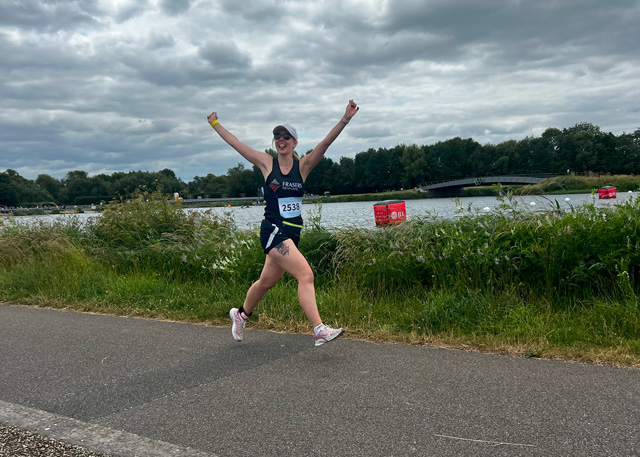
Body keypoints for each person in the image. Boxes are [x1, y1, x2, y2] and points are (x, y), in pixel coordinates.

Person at [207, 100, 359, 346]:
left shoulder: (303, 166)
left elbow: (326, 143)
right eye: (277, 135)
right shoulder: (267, 163)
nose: (280, 139)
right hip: (274, 231)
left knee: (267, 282)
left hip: (293, 233)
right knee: (306, 275)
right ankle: (319, 328)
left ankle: (241, 314)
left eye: (286, 136)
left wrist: (345, 118)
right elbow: (236, 144)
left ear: (294, 142)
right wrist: (215, 123)